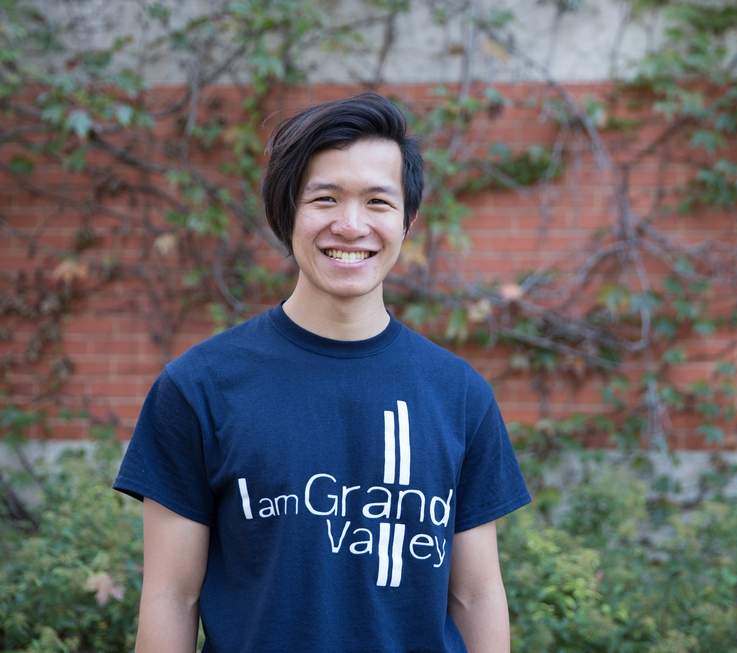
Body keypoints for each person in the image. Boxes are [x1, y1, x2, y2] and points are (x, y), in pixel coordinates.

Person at [113, 92, 532, 653]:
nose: (351, 225)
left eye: (378, 202)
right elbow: (172, 597)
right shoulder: (199, 388)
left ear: (407, 221)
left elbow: (476, 597)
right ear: (288, 213)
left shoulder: (458, 395)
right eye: (325, 198)